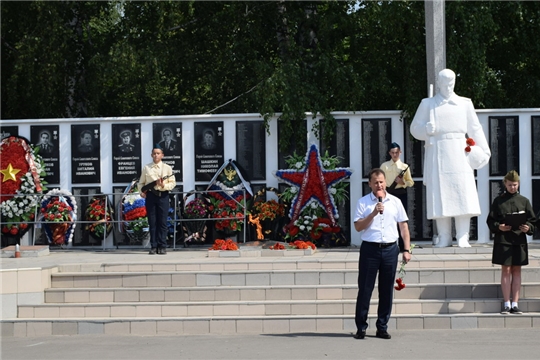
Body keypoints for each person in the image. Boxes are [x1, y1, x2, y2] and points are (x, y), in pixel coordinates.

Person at [410, 68, 491, 248]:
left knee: (462, 194)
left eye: (451, 83)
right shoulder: (428, 104)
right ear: (438, 83)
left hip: (460, 152)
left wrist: (483, 150)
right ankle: (444, 236)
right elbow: (415, 128)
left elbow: (475, 128)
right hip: (438, 151)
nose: (447, 87)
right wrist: (426, 130)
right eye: (444, 83)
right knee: (441, 196)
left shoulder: (464, 103)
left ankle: (463, 236)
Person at [353, 168, 411, 340]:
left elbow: (404, 227)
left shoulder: (395, 202)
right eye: (375, 182)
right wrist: (373, 213)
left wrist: (406, 250)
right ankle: (361, 327)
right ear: (370, 184)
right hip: (370, 249)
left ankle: (382, 326)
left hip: (390, 250)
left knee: (386, 290)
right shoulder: (363, 202)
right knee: (365, 289)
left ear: (385, 182)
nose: (379, 185)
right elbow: (358, 227)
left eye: (381, 181)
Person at [486, 170, 536, 314]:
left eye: (514, 185)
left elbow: (532, 221)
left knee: (517, 270)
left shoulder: (524, 201)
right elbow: (491, 220)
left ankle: (515, 303)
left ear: (518, 184)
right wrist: (499, 226)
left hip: (519, 239)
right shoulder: (498, 201)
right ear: (505, 184)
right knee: (506, 270)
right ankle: (506, 303)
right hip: (504, 240)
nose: (512, 187)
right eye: (509, 185)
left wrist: (528, 228)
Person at [138, 145, 176, 255]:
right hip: (151, 196)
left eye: (158, 153)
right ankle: (153, 246)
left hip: (163, 196)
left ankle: (162, 245)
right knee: (152, 222)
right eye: (154, 153)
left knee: (163, 222)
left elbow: (173, 183)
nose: (156, 155)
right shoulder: (146, 168)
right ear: (151, 155)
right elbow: (141, 183)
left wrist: (163, 185)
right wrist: (141, 192)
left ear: (162, 155)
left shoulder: (167, 168)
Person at [380, 142, 414, 252]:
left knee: (401, 219)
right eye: (393, 152)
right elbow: (380, 180)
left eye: (397, 152)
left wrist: (403, 182)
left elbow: (411, 182)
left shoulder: (404, 167)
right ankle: (389, 243)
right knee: (388, 218)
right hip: (388, 193)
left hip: (400, 194)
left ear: (400, 152)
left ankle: (403, 246)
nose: (395, 155)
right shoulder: (384, 166)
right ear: (389, 153)